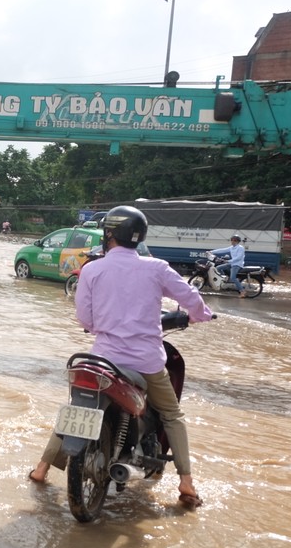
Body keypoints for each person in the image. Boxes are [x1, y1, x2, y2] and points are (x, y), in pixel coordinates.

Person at [28, 205, 213, 508]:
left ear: (109, 234)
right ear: (138, 237)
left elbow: (86, 321)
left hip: (102, 361)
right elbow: (192, 299)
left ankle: (41, 469)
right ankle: (186, 482)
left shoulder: (92, 269)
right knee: (172, 415)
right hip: (147, 363)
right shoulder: (157, 268)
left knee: (78, 409)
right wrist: (200, 316)